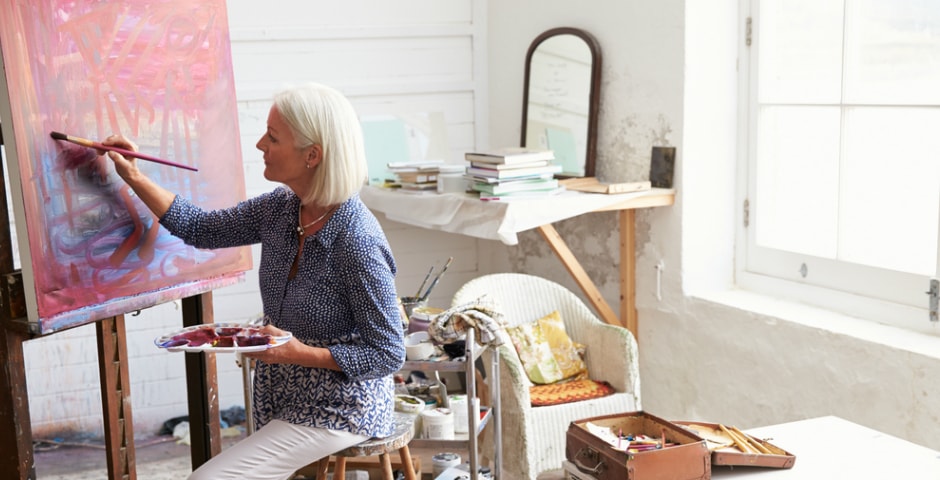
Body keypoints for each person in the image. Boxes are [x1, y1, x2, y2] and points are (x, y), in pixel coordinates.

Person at [101, 82, 406, 480]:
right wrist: (133, 175)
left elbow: (388, 354)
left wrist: (297, 353)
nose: (261, 144)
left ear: (312, 155)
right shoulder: (282, 208)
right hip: (284, 396)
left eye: (273, 137)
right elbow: (201, 228)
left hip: (341, 406)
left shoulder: (357, 242)